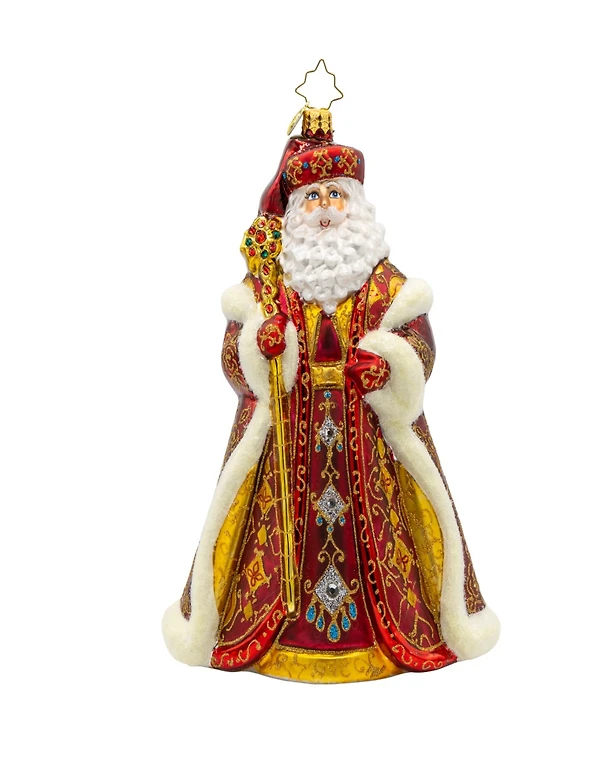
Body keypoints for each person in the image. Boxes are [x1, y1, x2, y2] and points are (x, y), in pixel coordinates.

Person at [162, 108, 499, 683]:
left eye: (335, 195)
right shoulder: (267, 287)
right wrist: (259, 345)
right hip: (287, 441)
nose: (325, 208)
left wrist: (390, 367)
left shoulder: (390, 287)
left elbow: (420, 350)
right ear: (295, 212)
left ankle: (390, 629)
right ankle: (271, 628)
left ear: (355, 206)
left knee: (388, 539)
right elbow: (234, 365)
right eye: (312, 197)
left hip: (370, 445)